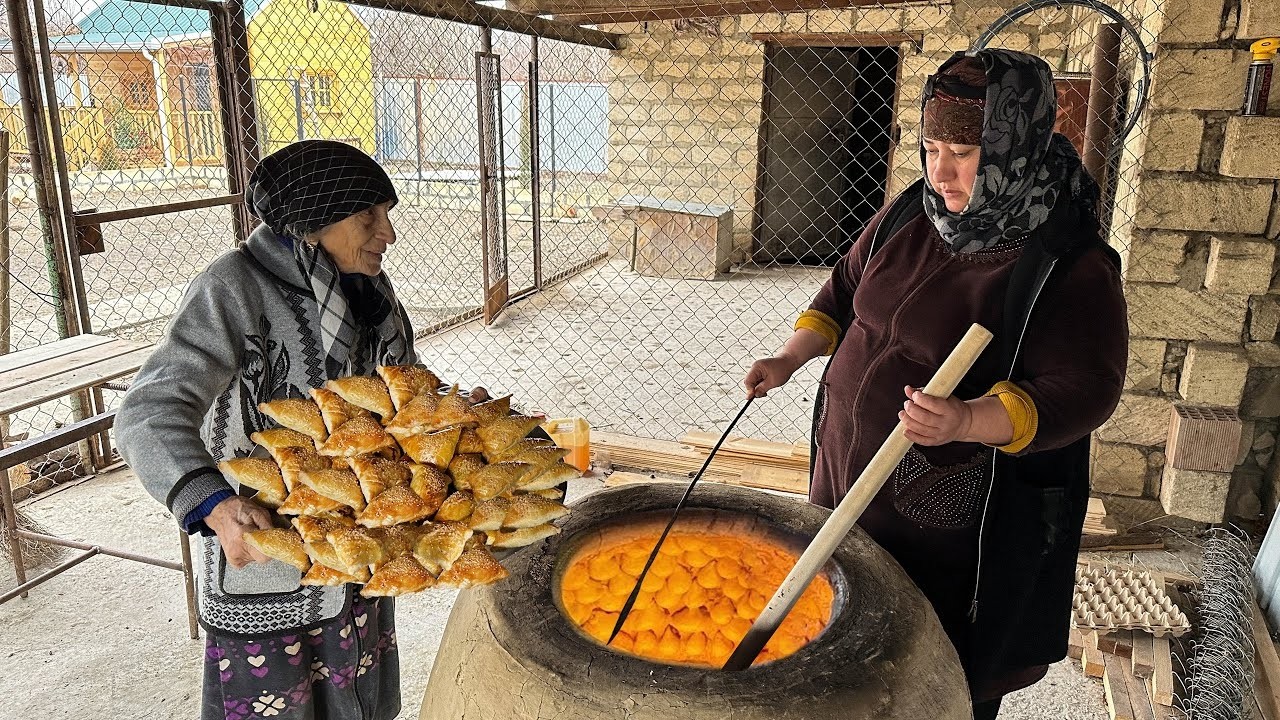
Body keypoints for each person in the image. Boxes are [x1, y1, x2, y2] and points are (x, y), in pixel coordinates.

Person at [744, 49, 1127, 719]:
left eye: (964, 152)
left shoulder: (1066, 263)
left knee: (935, 666)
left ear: (1015, 146)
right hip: (847, 476)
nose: (940, 171)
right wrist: (791, 357)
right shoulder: (909, 216)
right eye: (930, 148)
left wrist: (967, 420)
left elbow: (1087, 386)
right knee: (842, 622)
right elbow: (843, 292)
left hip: (950, 517)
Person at [118, 140, 421, 720]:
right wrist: (212, 503)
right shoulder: (234, 288)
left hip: (357, 550)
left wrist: (448, 413)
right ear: (313, 221)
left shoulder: (368, 291)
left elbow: (400, 392)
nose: (387, 232)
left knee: (358, 698)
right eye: (368, 217)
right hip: (269, 566)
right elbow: (149, 411)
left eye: (387, 214)